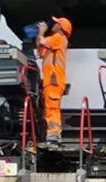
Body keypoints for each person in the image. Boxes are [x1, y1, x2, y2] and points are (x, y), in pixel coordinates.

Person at [36, 16, 72, 147]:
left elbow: (42, 41)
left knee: (52, 109)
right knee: (50, 109)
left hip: (54, 80)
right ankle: (53, 137)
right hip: (51, 81)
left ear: (61, 28)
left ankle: (53, 138)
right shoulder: (54, 43)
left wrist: (41, 31)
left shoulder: (59, 38)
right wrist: (40, 36)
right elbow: (41, 49)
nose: (53, 25)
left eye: (56, 23)